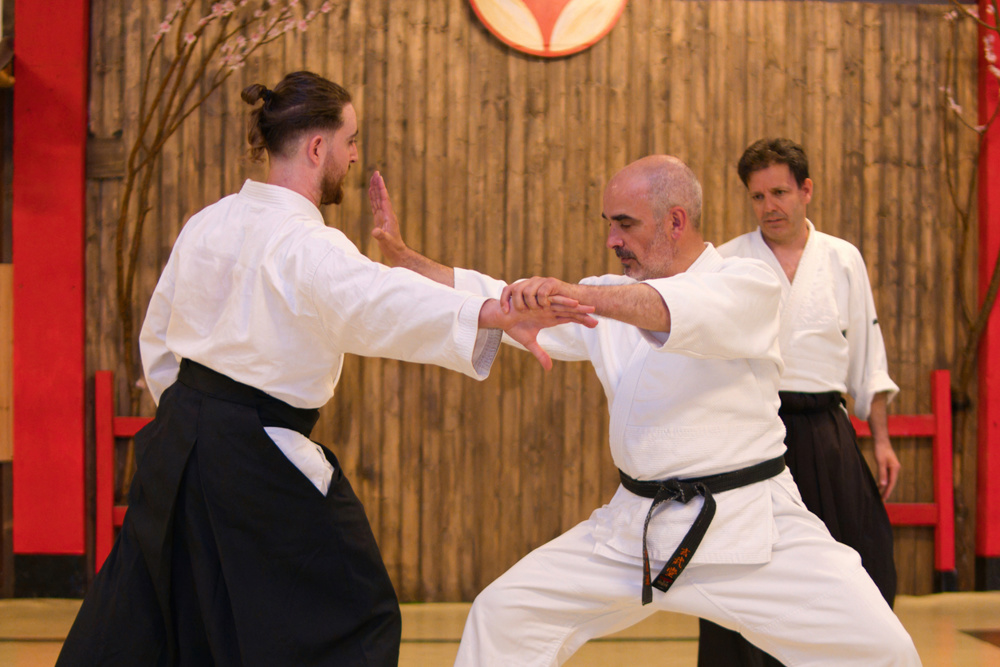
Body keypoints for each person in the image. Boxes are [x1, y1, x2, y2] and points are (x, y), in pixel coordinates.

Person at [56, 71, 596, 667]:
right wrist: (490, 313)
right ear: (318, 147)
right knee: (353, 611)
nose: (356, 154)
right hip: (253, 451)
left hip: (179, 437)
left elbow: (157, 339)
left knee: (179, 609)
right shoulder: (307, 244)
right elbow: (378, 301)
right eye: (351, 139)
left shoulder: (207, 221)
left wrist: (188, 423)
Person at [371, 154, 920, 666]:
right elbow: (499, 298)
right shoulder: (606, 294)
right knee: (504, 615)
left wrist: (578, 297)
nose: (611, 239)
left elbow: (665, 309)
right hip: (636, 531)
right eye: (608, 222)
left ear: (675, 221)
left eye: (625, 224)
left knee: (883, 649)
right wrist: (406, 260)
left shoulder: (747, 283)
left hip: (753, 531)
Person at [696, 138, 902, 667]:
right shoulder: (728, 260)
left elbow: (867, 358)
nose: (769, 207)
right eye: (758, 196)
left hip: (827, 433)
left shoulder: (842, 258)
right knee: (743, 570)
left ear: (806, 190)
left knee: (860, 561)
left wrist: (880, 441)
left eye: (780, 192)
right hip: (751, 432)